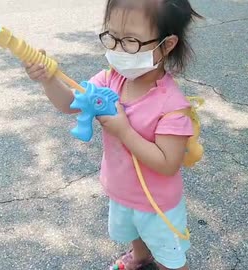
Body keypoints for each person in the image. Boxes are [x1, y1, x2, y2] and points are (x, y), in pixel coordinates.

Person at [24, 0, 202, 269]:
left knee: (169, 257)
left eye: (130, 41)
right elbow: (69, 103)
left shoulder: (172, 106)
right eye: (112, 37)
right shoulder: (110, 79)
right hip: (121, 191)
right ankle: (140, 257)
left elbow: (168, 164)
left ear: (166, 45)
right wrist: (48, 80)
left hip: (157, 205)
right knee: (131, 232)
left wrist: (123, 131)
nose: (119, 49)